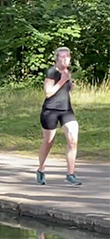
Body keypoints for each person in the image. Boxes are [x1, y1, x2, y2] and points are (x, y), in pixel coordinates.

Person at [36, 47, 81, 186]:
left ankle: (70, 174)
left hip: (66, 110)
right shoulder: (52, 72)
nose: (65, 59)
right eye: (62, 56)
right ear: (56, 58)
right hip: (50, 111)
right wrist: (62, 81)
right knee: (49, 142)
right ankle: (41, 169)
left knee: (73, 139)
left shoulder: (68, 71)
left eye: (67, 56)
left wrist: (70, 85)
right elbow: (48, 93)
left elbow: (64, 91)